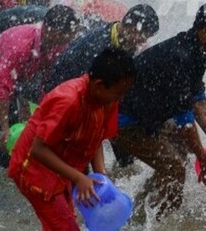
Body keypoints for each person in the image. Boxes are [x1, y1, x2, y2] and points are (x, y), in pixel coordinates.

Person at [114, 1, 206, 217]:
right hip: (124, 122)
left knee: (181, 149)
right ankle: (160, 220)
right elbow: (185, 120)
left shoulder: (197, 55)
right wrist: (203, 158)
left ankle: (141, 206)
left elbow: (198, 101)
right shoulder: (179, 57)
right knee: (175, 168)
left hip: (149, 118)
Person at [8, 49, 135, 230]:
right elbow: (38, 149)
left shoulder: (106, 99)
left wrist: (101, 176)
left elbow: (97, 137)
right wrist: (78, 177)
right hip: (34, 168)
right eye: (118, 93)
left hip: (62, 165)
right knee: (66, 226)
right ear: (99, 85)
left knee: (63, 221)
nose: (120, 99)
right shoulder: (68, 101)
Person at [0, 5, 79, 165]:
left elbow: (47, 79)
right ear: (52, 31)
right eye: (68, 34)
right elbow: (3, 88)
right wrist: (5, 128)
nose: (71, 38)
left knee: (28, 109)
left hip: (24, 71)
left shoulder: (56, 44)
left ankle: (18, 153)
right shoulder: (21, 45)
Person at [45, 4, 159, 94]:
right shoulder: (96, 44)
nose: (143, 42)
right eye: (143, 37)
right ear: (132, 28)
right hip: (64, 92)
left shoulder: (127, 44)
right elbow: (80, 80)